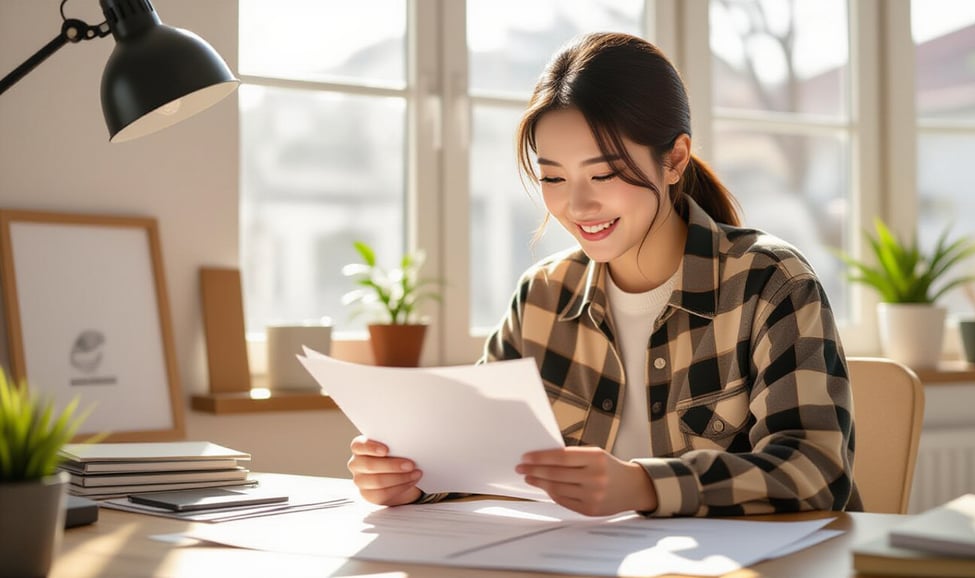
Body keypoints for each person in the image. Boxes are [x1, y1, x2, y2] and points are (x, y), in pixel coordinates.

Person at [348, 31, 861, 518]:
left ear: (675, 159)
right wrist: (414, 478)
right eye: (552, 177)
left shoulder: (770, 282)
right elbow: (476, 456)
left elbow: (817, 470)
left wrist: (643, 485)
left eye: (604, 173)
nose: (577, 205)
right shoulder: (541, 300)